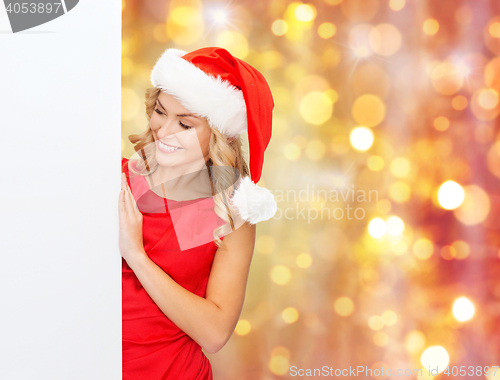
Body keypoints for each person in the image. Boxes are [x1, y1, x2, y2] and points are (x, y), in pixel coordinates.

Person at [119, 46, 278, 379]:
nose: (163, 131)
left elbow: (215, 333)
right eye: (160, 112)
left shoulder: (227, 212)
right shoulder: (117, 178)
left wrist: (136, 256)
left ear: (217, 134)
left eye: (185, 124)